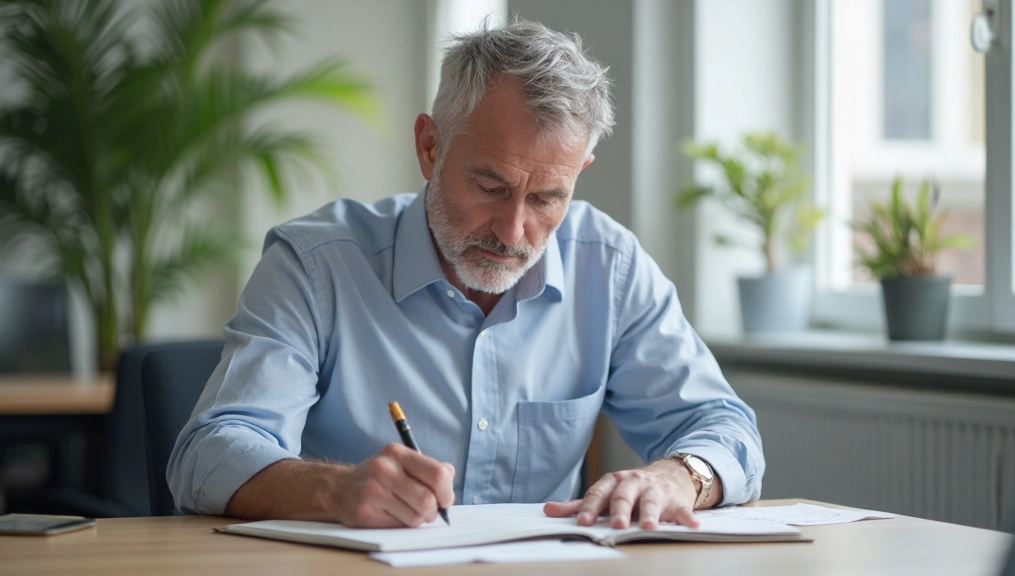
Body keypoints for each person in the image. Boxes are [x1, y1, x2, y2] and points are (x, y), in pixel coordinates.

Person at [168, 19, 763, 531]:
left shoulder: (609, 265)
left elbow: (722, 426)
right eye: (489, 187)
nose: (512, 231)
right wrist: (336, 492)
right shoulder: (316, 266)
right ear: (430, 147)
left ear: (579, 172)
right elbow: (206, 454)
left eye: (547, 198)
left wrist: (682, 476)